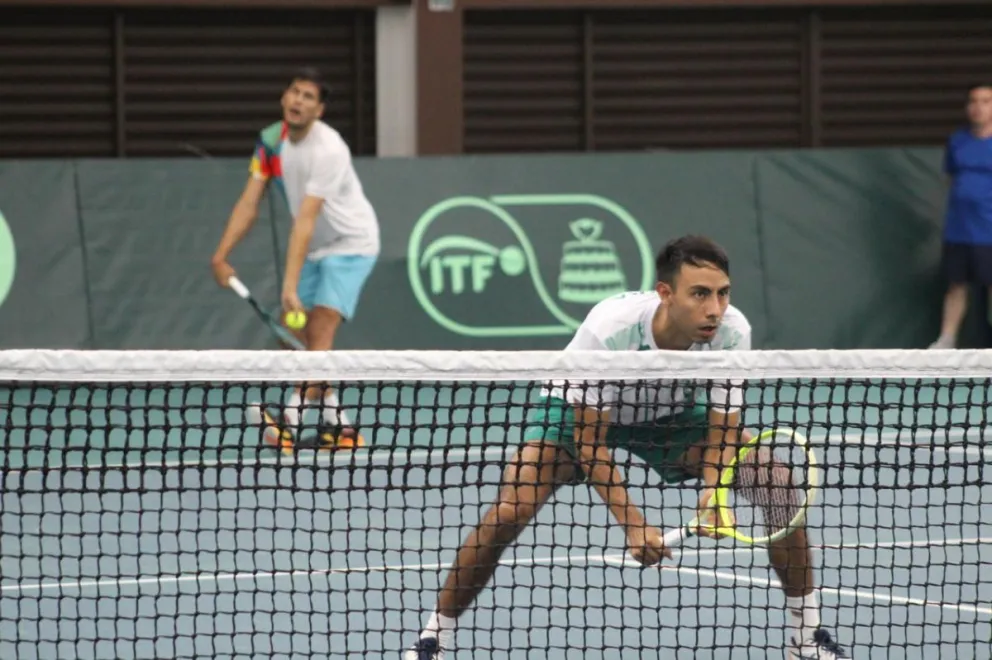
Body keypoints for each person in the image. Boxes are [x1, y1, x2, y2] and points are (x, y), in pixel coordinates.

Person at [403, 235, 848, 660]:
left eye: (723, 293)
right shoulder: (611, 330)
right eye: (699, 294)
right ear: (665, 293)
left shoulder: (732, 332)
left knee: (776, 483)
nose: (714, 309)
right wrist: (634, 525)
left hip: (672, 415)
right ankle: (434, 636)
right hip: (580, 413)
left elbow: (722, 430)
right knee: (511, 509)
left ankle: (807, 637)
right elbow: (590, 443)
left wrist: (715, 493)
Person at [211, 67, 380, 442]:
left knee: (320, 329)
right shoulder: (271, 143)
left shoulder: (329, 149)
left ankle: (290, 421)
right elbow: (249, 201)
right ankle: (340, 426)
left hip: (351, 244)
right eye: (295, 92)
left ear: (319, 110)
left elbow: (305, 219)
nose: (299, 101)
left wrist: (289, 285)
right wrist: (221, 255)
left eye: (308, 97)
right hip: (315, 248)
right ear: (284, 98)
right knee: (294, 332)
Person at [929, 83, 992, 349]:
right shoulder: (958, 141)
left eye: (986, 101)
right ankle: (947, 340)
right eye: (973, 101)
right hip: (959, 230)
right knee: (956, 285)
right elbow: (951, 178)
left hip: (989, 231)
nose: (978, 107)